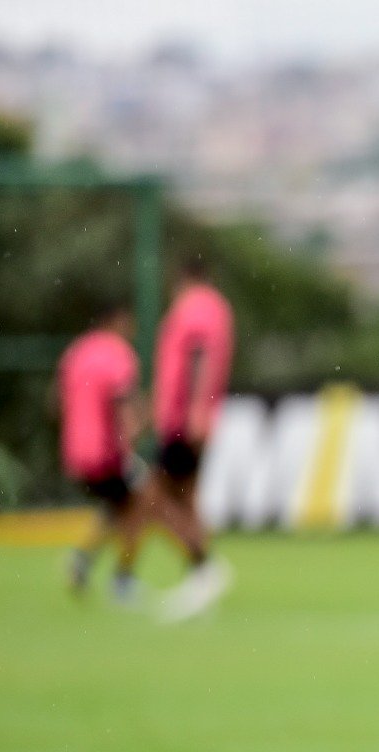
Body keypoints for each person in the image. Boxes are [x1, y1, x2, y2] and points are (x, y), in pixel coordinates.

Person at [59, 301, 219, 613]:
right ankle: (150, 573)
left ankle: (85, 562)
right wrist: (142, 425)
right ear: (116, 320)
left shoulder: (76, 353)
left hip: (75, 455)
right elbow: (125, 410)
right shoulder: (117, 355)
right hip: (106, 456)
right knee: (149, 502)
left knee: (126, 507)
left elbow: (55, 403)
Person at [151, 256, 235, 618]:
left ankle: (204, 567)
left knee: (154, 498)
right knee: (185, 498)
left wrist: (197, 409)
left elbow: (199, 356)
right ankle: (200, 576)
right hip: (190, 417)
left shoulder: (195, 306)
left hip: (183, 420)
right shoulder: (216, 307)